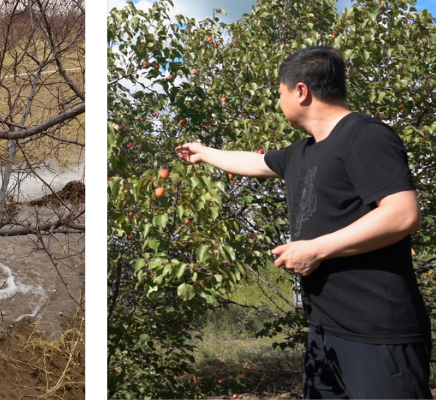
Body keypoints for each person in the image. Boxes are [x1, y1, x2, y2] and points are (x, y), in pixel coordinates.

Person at [176, 46, 431, 399]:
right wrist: (204, 152)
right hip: (325, 334)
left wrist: (316, 249)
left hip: (378, 333)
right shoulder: (304, 151)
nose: (279, 103)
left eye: (280, 93)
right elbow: (257, 162)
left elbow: (402, 213)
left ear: (300, 91)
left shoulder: (365, 136)